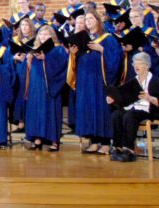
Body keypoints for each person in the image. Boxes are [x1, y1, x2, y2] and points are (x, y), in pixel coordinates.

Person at [68, 10, 122, 154]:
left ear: (98, 20)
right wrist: (73, 55)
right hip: (85, 80)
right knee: (88, 109)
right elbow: (78, 60)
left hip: (100, 80)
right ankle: (93, 141)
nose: (88, 21)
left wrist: (102, 49)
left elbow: (115, 59)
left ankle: (105, 143)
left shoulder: (107, 39)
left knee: (101, 109)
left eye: (91, 18)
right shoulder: (84, 38)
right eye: (86, 19)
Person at [108, 52, 159, 162]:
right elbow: (124, 101)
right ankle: (118, 147)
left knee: (130, 116)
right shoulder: (132, 81)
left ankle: (129, 150)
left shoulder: (155, 81)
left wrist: (149, 98)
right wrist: (114, 100)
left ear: (147, 65)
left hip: (150, 110)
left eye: (139, 63)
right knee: (116, 115)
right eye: (134, 63)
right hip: (133, 108)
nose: (136, 66)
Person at [25, 25, 68, 151]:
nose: (43, 37)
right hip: (36, 86)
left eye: (46, 34)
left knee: (51, 111)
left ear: (51, 36)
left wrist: (46, 59)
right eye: (41, 34)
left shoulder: (58, 49)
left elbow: (62, 67)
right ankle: (37, 140)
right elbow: (30, 69)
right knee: (36, 111)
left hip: (50, 86)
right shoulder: (35, 49)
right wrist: (29, 60)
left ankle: (54, 141)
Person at [9, 16, 36, 132]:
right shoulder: (15, 40)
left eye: (26, 25)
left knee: (29, 94)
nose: (24, 28)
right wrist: (14, 57)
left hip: (31, 69)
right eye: (22, 25)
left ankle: (30, 122)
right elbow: (8, 56)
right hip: (18, 69)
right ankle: (20, 122)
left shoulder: (36, 40)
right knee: (19, 95)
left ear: (31, 27)